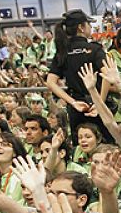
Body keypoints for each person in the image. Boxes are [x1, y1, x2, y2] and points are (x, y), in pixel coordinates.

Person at [45, 9, 110, 145]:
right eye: (88, 24)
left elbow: (50, 82)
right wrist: (100, 104)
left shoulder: (62, 51)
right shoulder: (94, 49)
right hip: (96, 107)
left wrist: (72, 102)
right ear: (81, 27)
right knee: (103, 146)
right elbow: (107, 76)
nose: (91, 27)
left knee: (80, 148)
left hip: (77, 109)